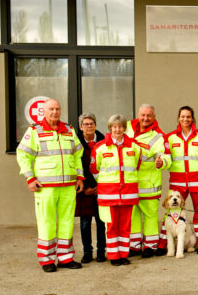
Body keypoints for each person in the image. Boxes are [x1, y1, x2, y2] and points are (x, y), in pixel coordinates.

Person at [16, 98, 84, 272]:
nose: (55, 112)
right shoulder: (34, 131)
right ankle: (46, 260)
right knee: (46, 223)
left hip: (68, 186)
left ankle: (65, 258)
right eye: (51, 109)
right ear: (44, 111)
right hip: (45, 187)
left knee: (67, 222)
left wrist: (79, 177)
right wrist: (30, 178)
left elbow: (77, 155)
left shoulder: (69, 130)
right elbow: (23, 154)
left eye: (57, 109)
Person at [90, 114, 150, 266]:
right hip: (108, 194)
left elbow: (135, 166)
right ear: (110, 128)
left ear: (125, 128)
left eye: (120, 126)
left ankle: (123, 254)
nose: (117, 129)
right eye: (114, 127)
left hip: (128, 193)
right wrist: (106, 183)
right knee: (111, 226)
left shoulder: (134, 146)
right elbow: (94, 169)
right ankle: (113, 256)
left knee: (125, 226)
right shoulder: (100, 147)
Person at [125, 104, 170, 257]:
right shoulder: (127, 127)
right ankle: (134, 246)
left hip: (149, 184)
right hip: (130, 182)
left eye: (148, 116)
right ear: (138, 114)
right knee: (133, 215)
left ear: (154, 117)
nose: (145, 118)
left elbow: (165, 156)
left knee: (150, 216)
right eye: (143, 115)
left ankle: (150, 246)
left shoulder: (158, 135)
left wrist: (161, 162)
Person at [167, 106, 198, 254]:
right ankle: (168, 245)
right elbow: (167, 159)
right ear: (178, 118)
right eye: (183, 116)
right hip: (178, 183)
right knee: (173, 212)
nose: (185, 119)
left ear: (192, 118)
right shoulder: (170, 138)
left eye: (188, 117)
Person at [76, 113, 106, 263]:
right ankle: (87, 251)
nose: (89, 126)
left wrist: (100, 185)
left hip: (102, 188)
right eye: (85, 124)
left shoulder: (104, 141)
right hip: (84, 189)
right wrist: (86, 186)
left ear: (95, 125)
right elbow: (75, 165)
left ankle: (101, 251)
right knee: (85, 222)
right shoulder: (75, 142)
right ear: (81, 127)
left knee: (101, 222)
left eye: (91, 123)